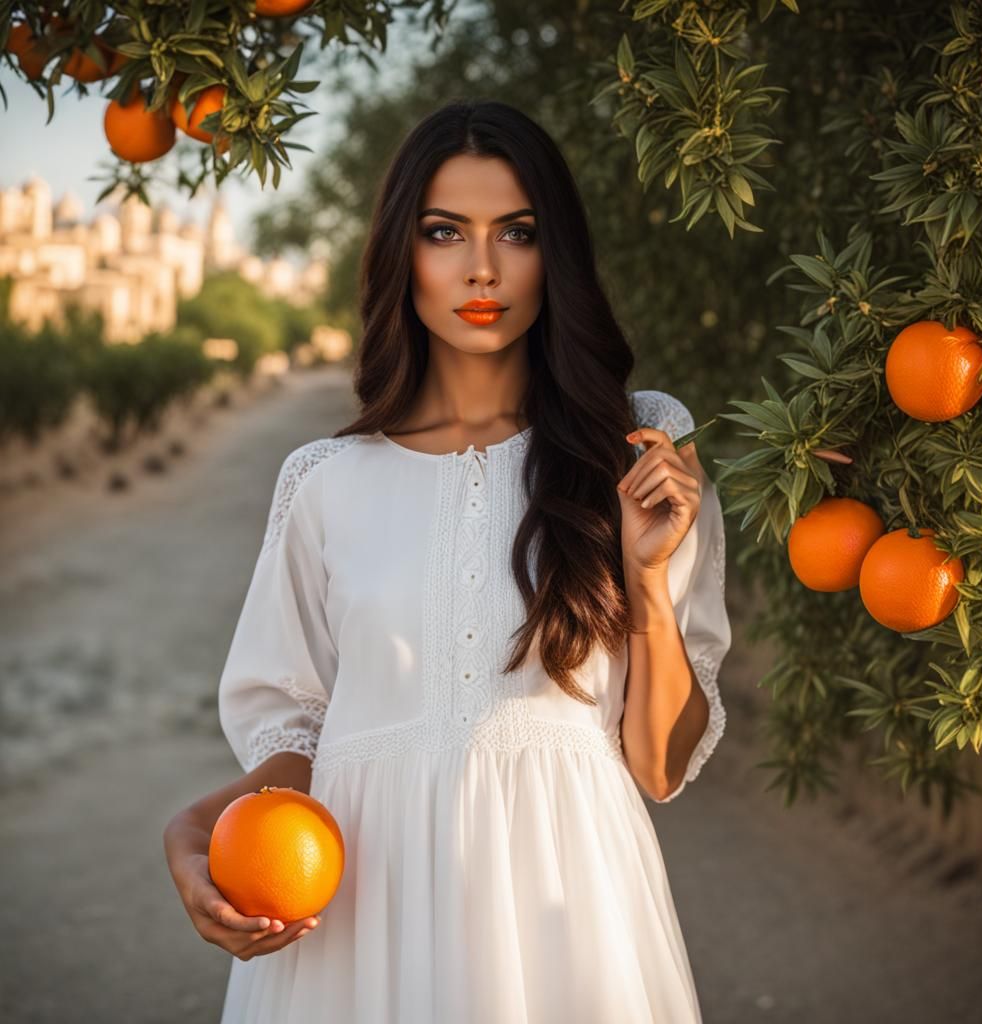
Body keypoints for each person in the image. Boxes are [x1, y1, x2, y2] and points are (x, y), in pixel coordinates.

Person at [164, 98, 731, 1023]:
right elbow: (301, 740)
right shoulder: (323, 483)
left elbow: (659, 769)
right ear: (403, 254)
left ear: (558, 255)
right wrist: (191, 833)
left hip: (572, 913)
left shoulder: (639, 448)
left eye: (516, 231)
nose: (481, 267)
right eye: (444, 232)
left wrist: (648, 587)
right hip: (359, 928)